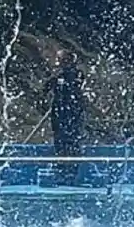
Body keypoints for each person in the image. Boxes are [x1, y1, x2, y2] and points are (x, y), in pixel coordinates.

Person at [43, 49, 85, 185]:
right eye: (59, 60)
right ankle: (60, 169)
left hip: (73, 113)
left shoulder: (77, 74)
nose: (60, 63)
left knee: (73, 140)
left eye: (63, 60)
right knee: (59, 141)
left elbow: (77, 86)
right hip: (58, 114)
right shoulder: (56, 75)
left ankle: (73, 170)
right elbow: (45, 88)